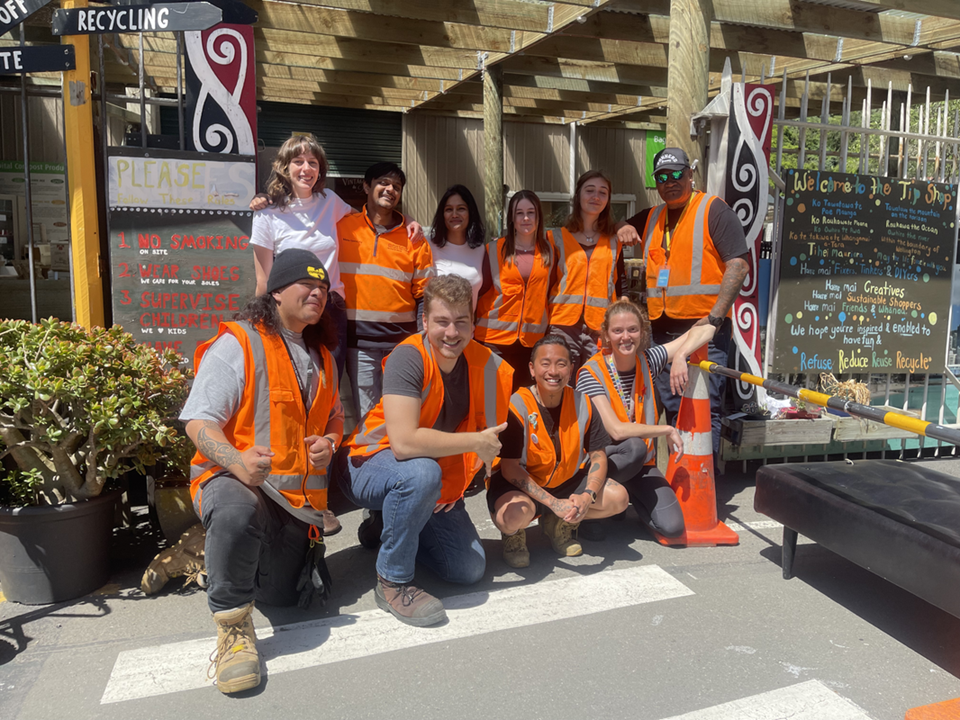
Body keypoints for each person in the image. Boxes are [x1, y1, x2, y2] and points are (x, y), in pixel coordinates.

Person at [180, 249, 344, 694]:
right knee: (235, 511)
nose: (318, 293)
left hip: (294, 508)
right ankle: (233, 631)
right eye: (306, 285)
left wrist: (329, 442)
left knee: (285, 599)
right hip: (236, 485)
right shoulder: (240, 342)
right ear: (275, 292)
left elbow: (335, 418)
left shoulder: (323, 356)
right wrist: (236, 461)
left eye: (324, 288)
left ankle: (210, 552)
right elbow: (197, 421)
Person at [338, 274, 513, 626]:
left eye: (461, 322)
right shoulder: (409, 357)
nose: (452, 333)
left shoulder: (487, 365)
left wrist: (455, 487)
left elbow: (487, 442)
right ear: (424, 322)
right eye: (442, 322)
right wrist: (474, 443)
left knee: (468, 568)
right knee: (420, 473)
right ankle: (393, 581)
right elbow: (403, 445)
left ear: (473, 323)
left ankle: (393, 520)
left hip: (429, 475)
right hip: (368, 463)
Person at [249, 135, 422, 380]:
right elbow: (263, 281)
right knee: (291, 379)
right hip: (291, 310)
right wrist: (260, 326)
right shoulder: (267, 214)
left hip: (332, 308)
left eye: (313, 162)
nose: (306, 168)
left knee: (328, 382)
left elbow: (369, 219)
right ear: (285, 166)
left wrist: (407, 220)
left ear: (320, 170)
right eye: (298, 161)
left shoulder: (330, 201)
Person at [617, 148, 749, 463]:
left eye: (677, 174)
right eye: (662, 177)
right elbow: (619, 226)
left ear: (691, 174)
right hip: (662, 329)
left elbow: (739, 266)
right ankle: (680, 479)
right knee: (673, 405)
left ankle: (704, 484)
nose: (670, 182)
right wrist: (622, 225)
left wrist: (714, 320)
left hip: (703, 328)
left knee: (702, 405)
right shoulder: (652, 217)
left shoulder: (713, 210)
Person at [576, 299, 716, 540]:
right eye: (617, 331)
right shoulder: (591, 372)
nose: (626, 337)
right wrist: (665, 429)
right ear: (607, 335)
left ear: (642, 332)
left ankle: (623, 498)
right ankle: (596, 505)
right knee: (634, 447)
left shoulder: (648, 360)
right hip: (599, 463)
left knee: (672, 527)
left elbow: (708, 329)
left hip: (639, 465)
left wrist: (682, 354)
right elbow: (617, 431)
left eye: (632, 329)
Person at [488, 334, 629, 568]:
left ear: (571, 369)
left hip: (565, 481)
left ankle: (557, 524)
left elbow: (598, 456)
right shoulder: (516, 405)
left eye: (561, 364)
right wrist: (554, 503)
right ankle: (514, 536)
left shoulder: (582, 402)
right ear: (532, 369)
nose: (553, 371)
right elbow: (509, 468)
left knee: (619, 498)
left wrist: (588, 496)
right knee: (514, 516)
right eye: (545, 363)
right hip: (517, 484)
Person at [338, 162, 435, 420]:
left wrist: (421, 342)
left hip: (400, 345)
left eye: (397, 186)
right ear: (367, 186)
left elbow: (425, 295)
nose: (390, 189)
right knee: (368, 417)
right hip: (359, 344)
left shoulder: (413, 238)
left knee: (400, 415)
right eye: (383, 182)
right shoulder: (342, 226)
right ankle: (371, 459)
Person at [475, 190, 556, 393]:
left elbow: (551, 293)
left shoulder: (550, 251)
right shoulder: (493, 249)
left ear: (538, 216)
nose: (526, 218)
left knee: (525, 403)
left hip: (532, 342)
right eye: (519, 213)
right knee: (493, 400)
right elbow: (479, 290)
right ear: (512, 217)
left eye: (531, 212)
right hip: (493, 340)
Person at [547, 170, 627, 371]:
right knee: (561, 385)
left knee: (598, 385)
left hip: (600, 328)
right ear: (578, 196)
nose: (596, 197)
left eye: (603, 192)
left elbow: (620, 284)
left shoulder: (615, 241)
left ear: (608, 200)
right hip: (562, 325)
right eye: (590, 190)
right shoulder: (555, 238)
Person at [428, 184, 486, 310]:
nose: (454, 214)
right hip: (437, 327)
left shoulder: (480, 250)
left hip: (467, 327)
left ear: (470, 213)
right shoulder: (428, 245)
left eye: (461, 209)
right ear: (442, 214)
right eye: (449, 209)